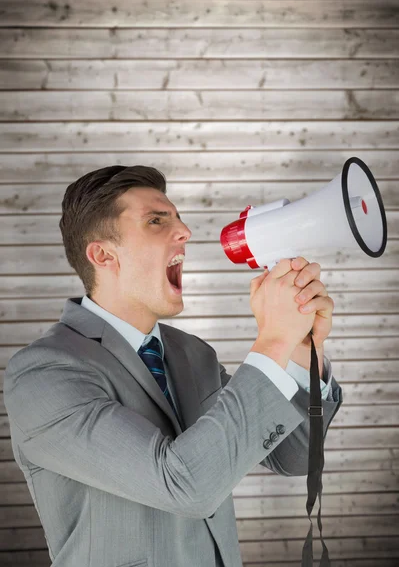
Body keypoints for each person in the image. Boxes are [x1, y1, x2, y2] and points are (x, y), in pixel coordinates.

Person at [4, 165, 342, 567]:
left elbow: (293, 457)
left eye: (178, 217)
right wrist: (273, 342)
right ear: (103, 254)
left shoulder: (192, 353)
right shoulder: (44, 373)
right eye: (156, 221)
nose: (184, 231)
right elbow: (185, 485)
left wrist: (303, 353)